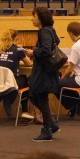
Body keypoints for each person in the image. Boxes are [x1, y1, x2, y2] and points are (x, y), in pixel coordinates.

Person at [29, 7, 62, 142]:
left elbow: (46, 50)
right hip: (47, 69)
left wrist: (33, 52)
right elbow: (56, 42)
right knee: (36, 96)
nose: (32, 19)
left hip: (43, 70)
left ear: (41, 18)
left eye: (34, 16)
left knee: (39, 98)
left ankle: (47, 129)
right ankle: (51, 124)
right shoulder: (50, 30)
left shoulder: (44, 31)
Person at [0, 28, 33, 120]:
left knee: (22, 80)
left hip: (0, 81)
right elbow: (29, 63)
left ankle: (6, 95)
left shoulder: (0, 50)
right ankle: (25, 111)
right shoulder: (18, 50)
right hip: (12, 81)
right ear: (15, 38)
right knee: (27, 81)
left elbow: (9, 60)